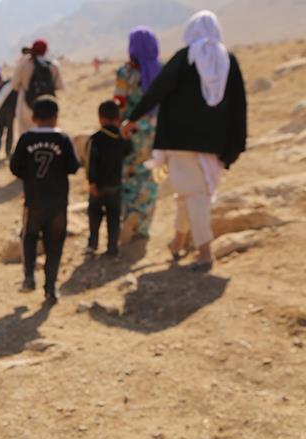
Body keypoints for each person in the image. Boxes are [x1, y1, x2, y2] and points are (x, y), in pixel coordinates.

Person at [121, 11, 247, 272]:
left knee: (195, 195)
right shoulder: (228, 60)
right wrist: (237, 140)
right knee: (188, 194)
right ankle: (178, 241)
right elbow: (239, 105)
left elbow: (158, 90)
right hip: (214, 141)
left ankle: (204, 251)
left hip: (180, 139)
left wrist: (132, 118)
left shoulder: (184, 58)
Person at [10, 96, 80, 303]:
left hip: (33, 201)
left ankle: (29, 277)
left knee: (29, 237)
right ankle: (51, 288)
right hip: (58, 203)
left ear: (33, 117)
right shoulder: (63, 139)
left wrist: (30, 177)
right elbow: (74, 167)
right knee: (55, 244)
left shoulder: (26, 139)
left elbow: (15, 167)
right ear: (56, 117)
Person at [115, 26, 164, 244]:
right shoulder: (162, 71)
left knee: (128, 174)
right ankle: (143, 224)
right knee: (152, 176)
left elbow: (119, 102)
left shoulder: (125, 73)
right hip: (156, 133)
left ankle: (128, 216)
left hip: (130, 131)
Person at [86, 100, 132, 257]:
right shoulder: (120, 138)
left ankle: (93, 244)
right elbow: (129, 151)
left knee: (94, 215)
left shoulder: (95, 139)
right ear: (118, 118)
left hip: (98, 185)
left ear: (100, 118)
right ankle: (112, 248)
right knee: (113, 218)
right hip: (115, 184)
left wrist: (91, 182)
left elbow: (90, 162)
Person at [11, 39, 64, 135]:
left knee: (25, 135)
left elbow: (14, 84)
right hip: (48, 106)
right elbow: (59, 86)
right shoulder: (53, 65)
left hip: (26, 104)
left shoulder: (24, 63)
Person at [0, 79, 19, 162]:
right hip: (10, 112)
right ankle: (8, 152)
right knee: (9, 133)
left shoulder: (3, 85)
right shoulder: (16, 87)